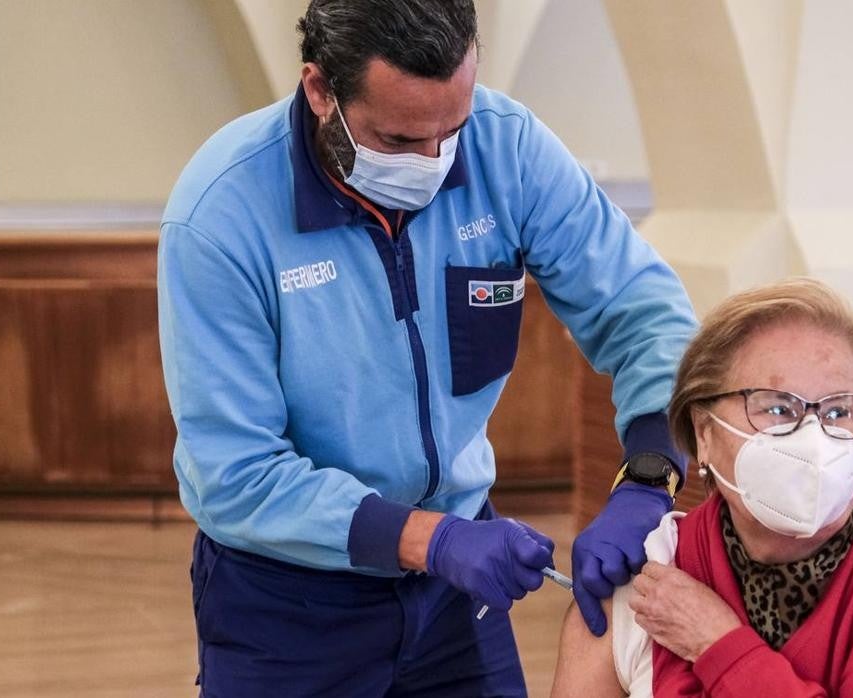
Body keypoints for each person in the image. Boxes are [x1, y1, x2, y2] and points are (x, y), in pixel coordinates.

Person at [157, 1, 697, 695]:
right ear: (320, 91)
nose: (435, 162)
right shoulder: (221, 215)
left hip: (455, 596)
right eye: (400, 139)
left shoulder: (508, 149)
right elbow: (234, 472)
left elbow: (644, 311)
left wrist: (649, 480)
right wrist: (430, 540)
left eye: (453, 130)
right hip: (287, 601)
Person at [550, 278, 853, 697]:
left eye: (840, 413)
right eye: (777, 408)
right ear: (703, 433)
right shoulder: (649, 575)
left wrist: (718, 644)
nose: (812, 437)